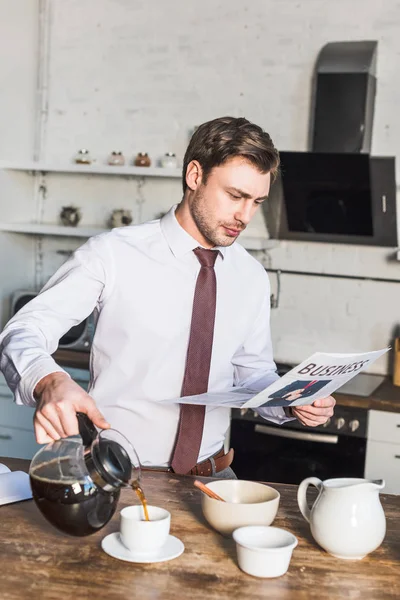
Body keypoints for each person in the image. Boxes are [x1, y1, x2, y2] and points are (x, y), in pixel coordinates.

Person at [0, 116, 335, 478]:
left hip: (213, 477)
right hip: (117, 473)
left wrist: (291, 402)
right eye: (236, 196)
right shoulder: (112, 254)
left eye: (257, 202)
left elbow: (253, 372)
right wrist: (50, 381)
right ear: (195, 176)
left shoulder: (250, 275)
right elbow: (23, 332)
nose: (245, 215)